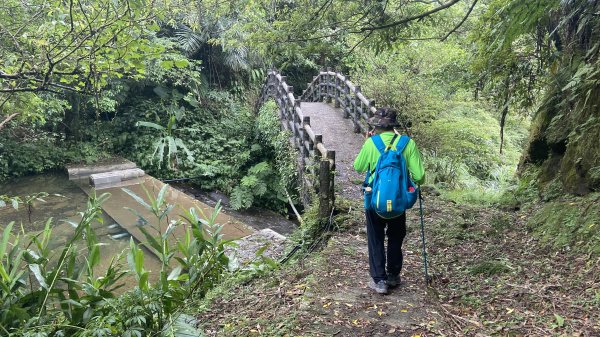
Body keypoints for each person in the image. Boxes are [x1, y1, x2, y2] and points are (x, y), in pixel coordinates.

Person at [353, 107, 425, 295]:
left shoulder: (371, 143)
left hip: (374, 199)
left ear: (376, 125)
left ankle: (379, 281)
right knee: (396, 236)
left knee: (375, 237)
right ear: (394, 126)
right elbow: (420, 176)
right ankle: (393, 275)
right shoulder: (407, 144)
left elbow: (358, 167)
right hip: (398, 201)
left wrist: (367, 143)